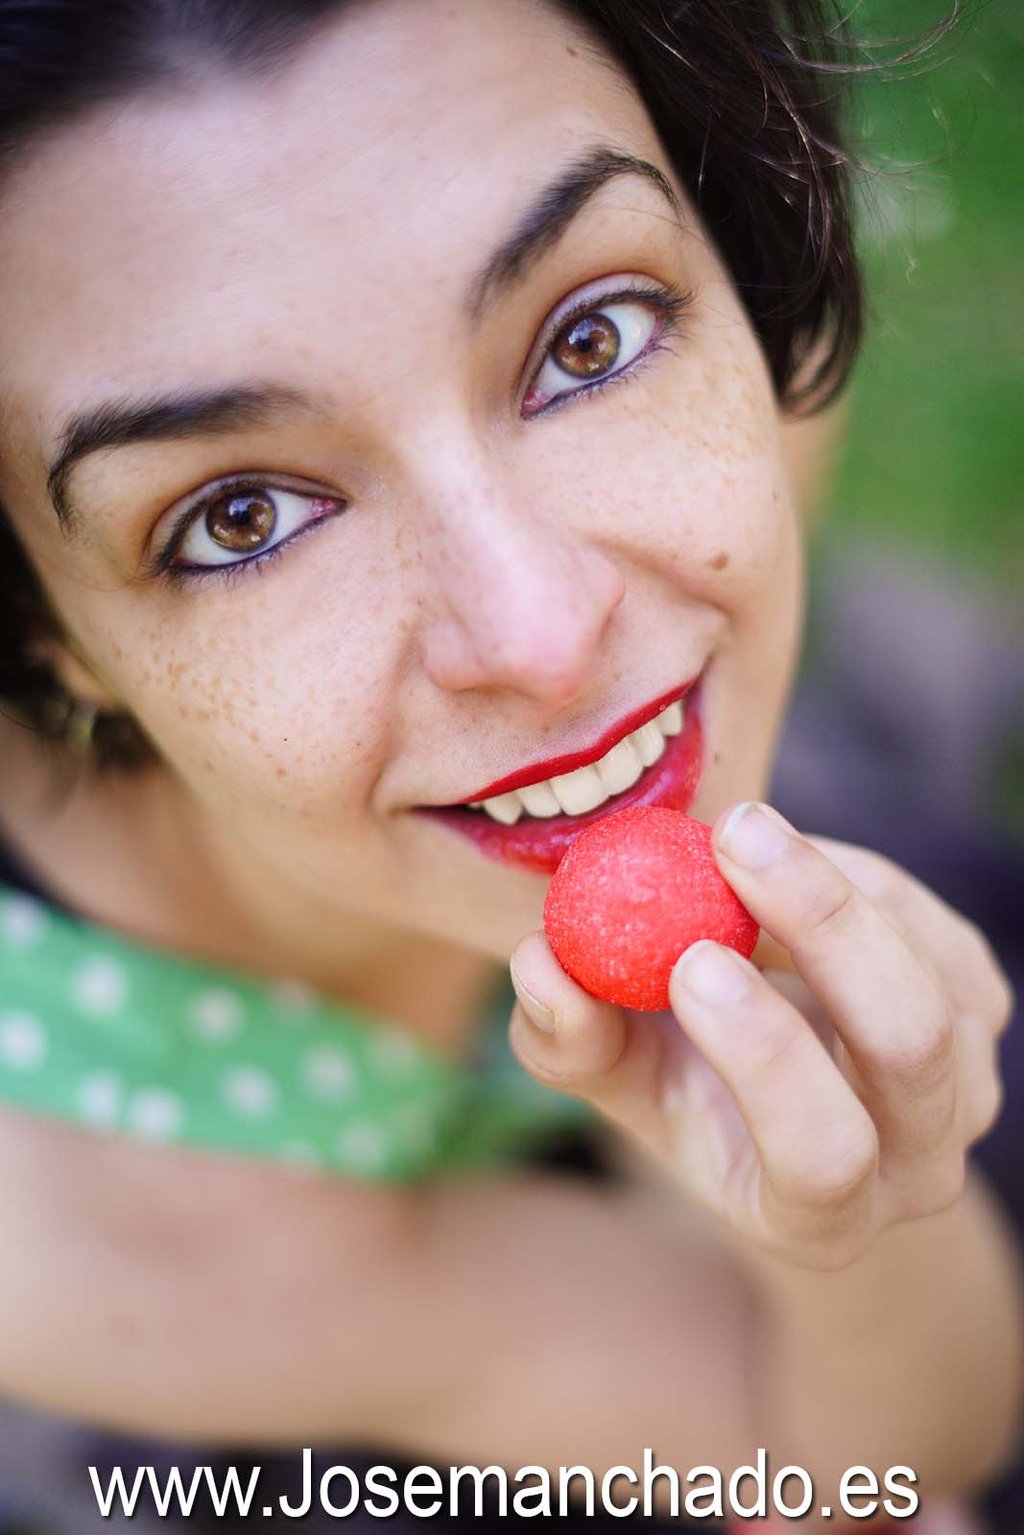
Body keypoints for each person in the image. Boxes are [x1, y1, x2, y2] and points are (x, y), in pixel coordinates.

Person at [0, 1, 1018, 1530]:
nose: (541, 633)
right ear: (49, 637)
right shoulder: (83, 1220)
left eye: (586, 340)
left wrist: (861, 1225)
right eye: (243, 520)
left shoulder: (742, 404)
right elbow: (867, 1476)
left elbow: (921, 1415)